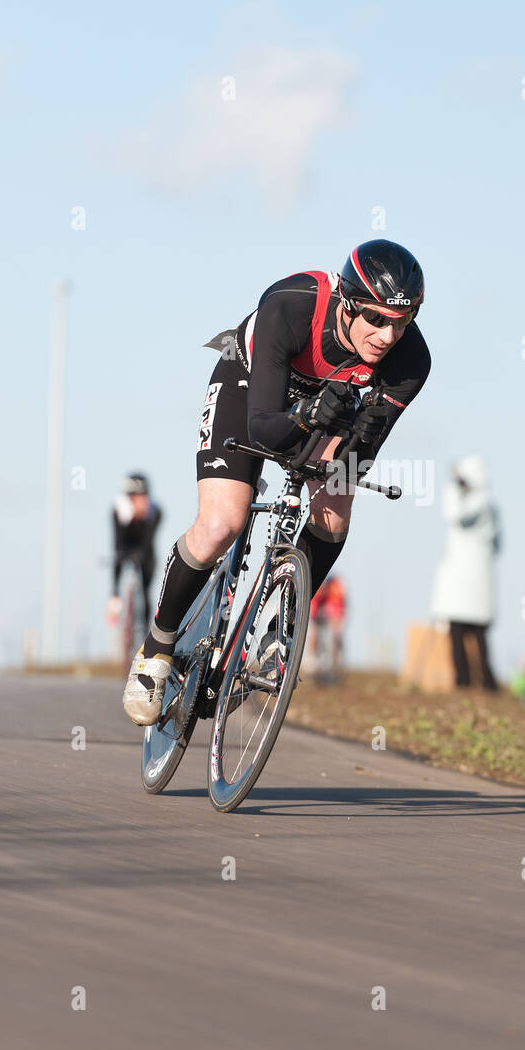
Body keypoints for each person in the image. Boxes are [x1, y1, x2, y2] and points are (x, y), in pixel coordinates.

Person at [122, 240, 430, 723]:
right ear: (348, 305)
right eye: (375, 318)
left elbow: (359, 457)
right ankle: (155, 651)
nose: (388, 336)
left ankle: (279, 626)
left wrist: (353, 444)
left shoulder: (412, 361)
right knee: (222, 523)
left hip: (321, 409)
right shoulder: (291, 306)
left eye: (401, 321)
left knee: (336, 503)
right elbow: (262, 426)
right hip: (248, 389)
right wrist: (309, 413)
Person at [430, 458, 500, 689]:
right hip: (465, 580)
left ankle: (481, 681)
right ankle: (467, 680)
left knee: (473, 632)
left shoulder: (479, 500)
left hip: (467, 578)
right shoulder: (489, 504)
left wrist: (451, 489)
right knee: (462, 631)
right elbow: (499, 544)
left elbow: (454, 514)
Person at [108, 474, 162, 634]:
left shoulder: (156, 511)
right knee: (117, 558)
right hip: (125, 545)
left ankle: (145, 628)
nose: (141, 501)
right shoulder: (118, 510)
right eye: (137, 497)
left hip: (145, 548)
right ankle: (115, 597)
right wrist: (122, 555)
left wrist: (143, 557)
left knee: (146, 587)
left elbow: (149, 540)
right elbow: (117, 541)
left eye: (144, 496)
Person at [308, 574, 347, 680]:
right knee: (314, 632)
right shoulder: (319, 590)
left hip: (334, 613)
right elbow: (313, 611)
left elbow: (340, 612)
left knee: (336, 636)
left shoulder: (337, 588)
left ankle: (335, 663)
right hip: (320, 614)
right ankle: (313, 660)